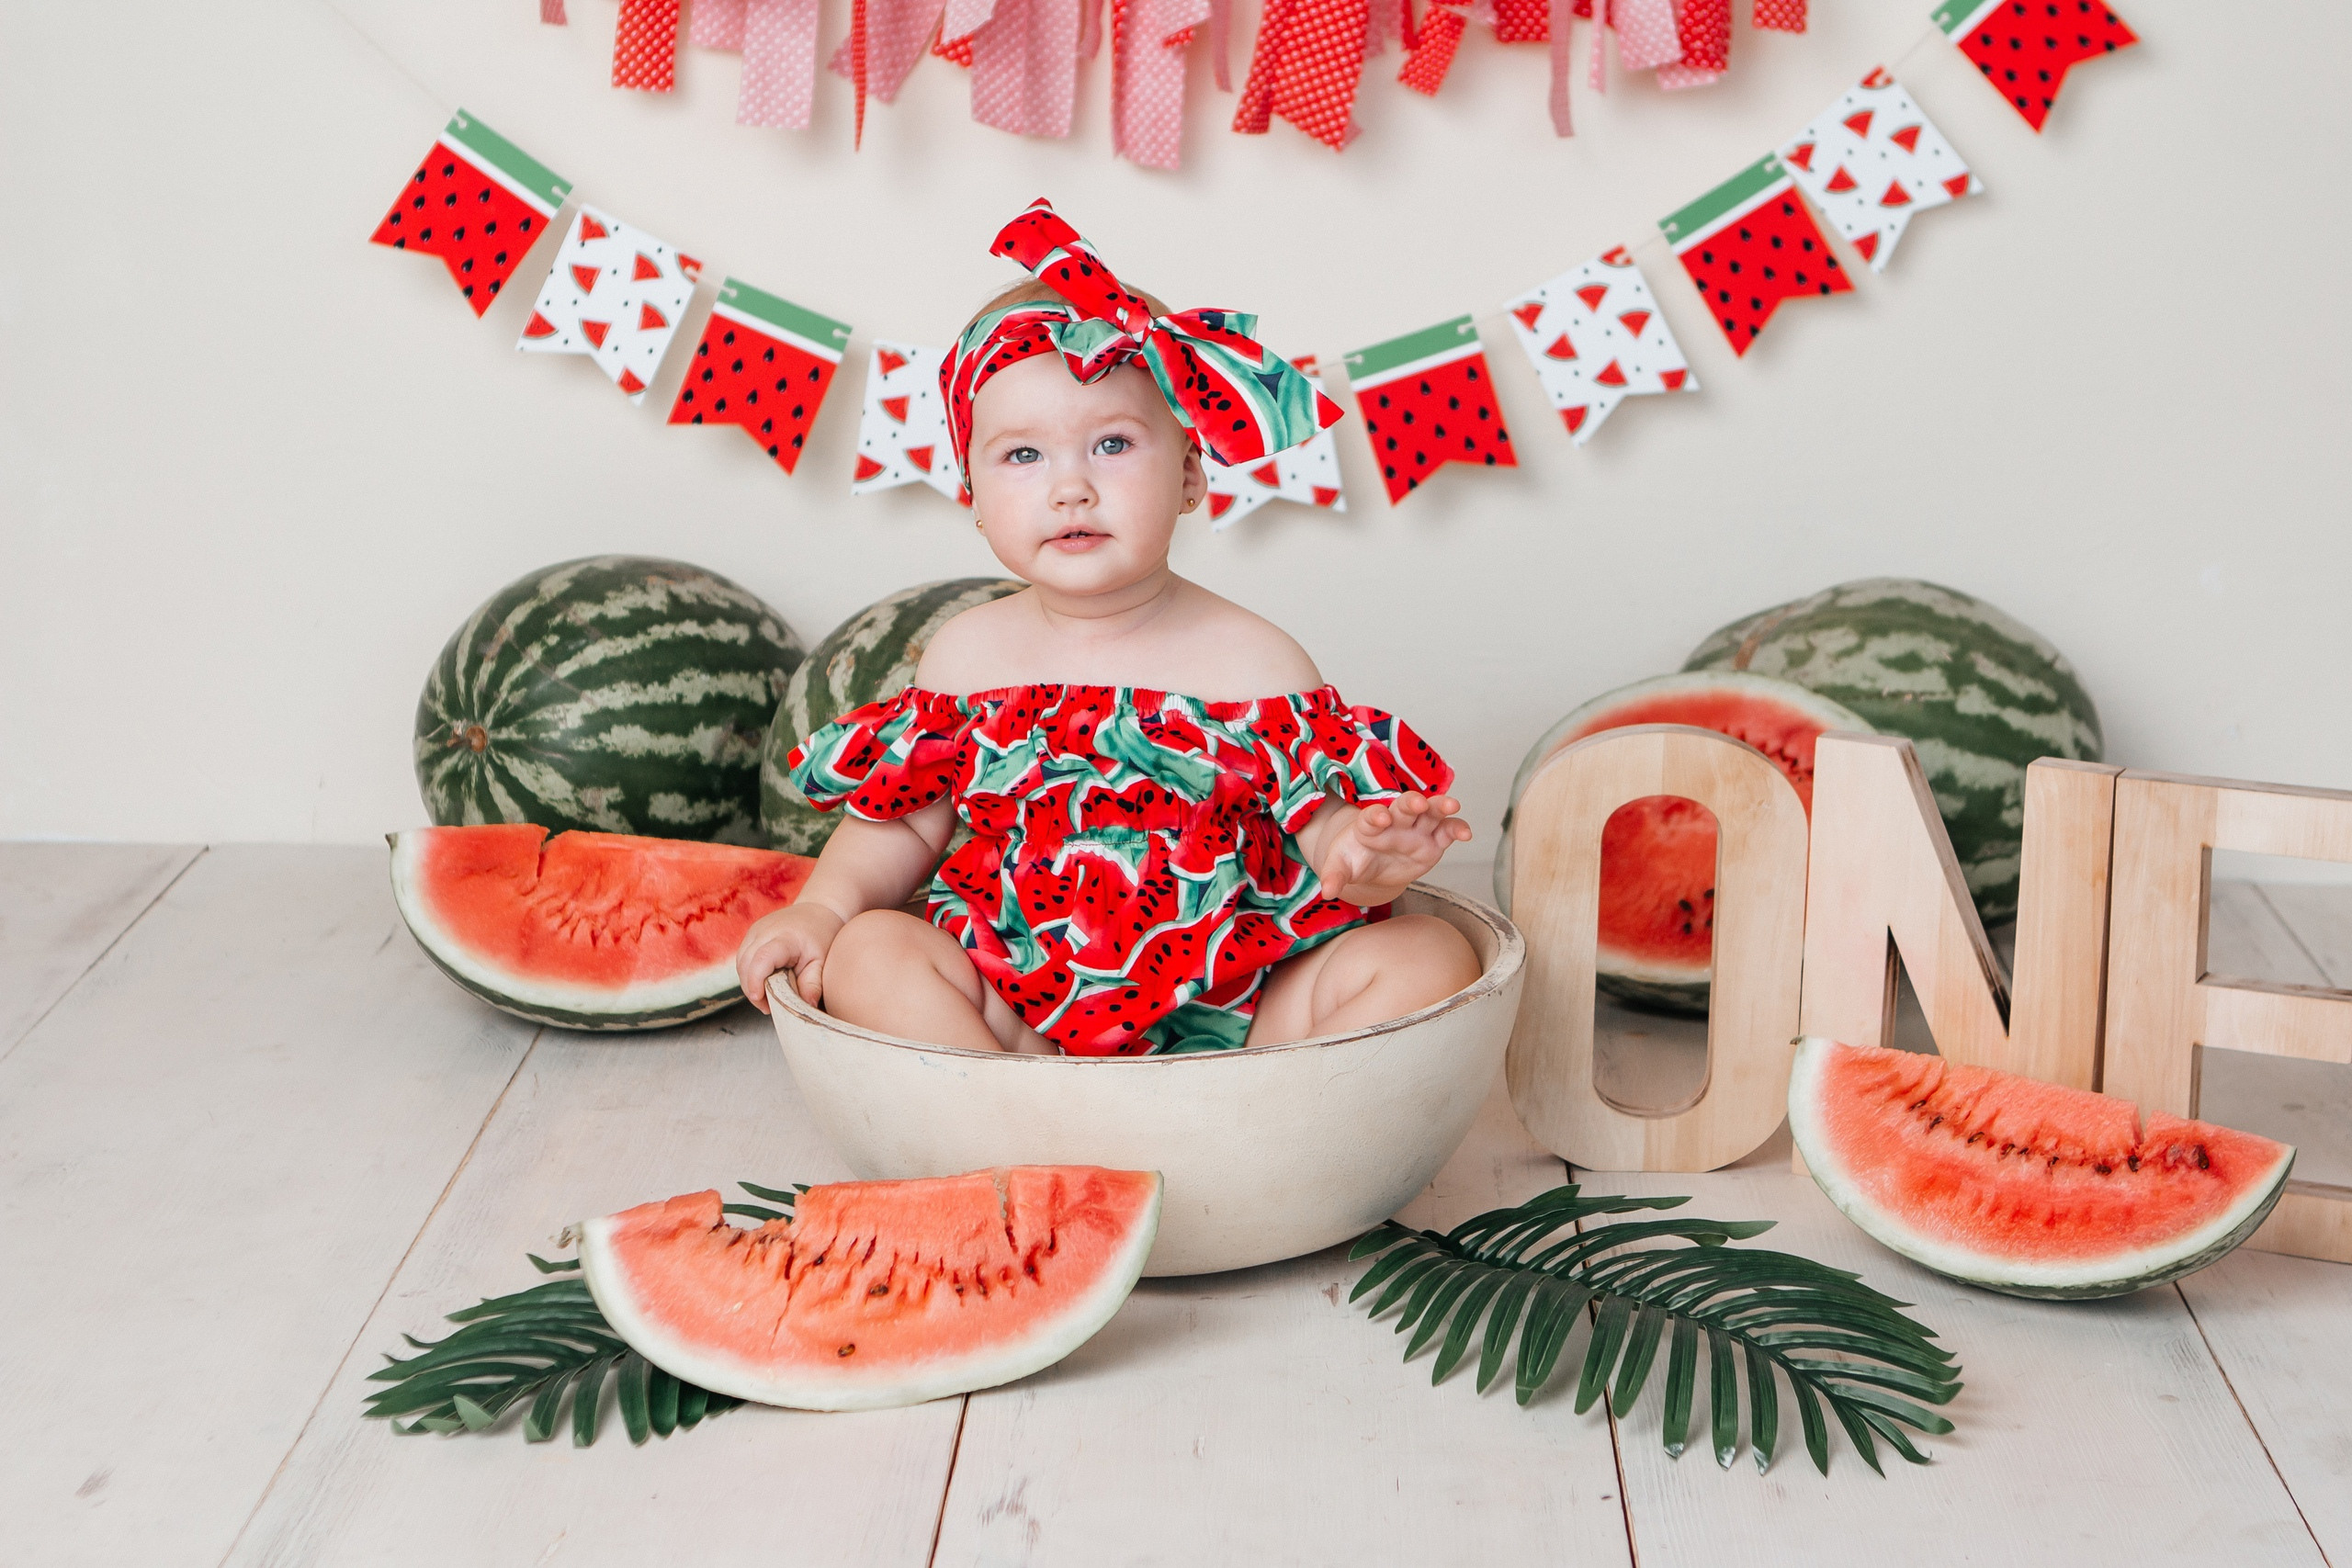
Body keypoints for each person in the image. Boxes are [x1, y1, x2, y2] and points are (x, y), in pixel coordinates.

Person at [735, 199, 1479, 1055]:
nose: (1070, 488)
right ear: (973, 498)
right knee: (871, 951)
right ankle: (1021, 1115)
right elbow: (902, 825)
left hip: (1242, 1024)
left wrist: (1362, 854)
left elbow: (1319, 827)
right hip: (1016, 1014)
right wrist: (821, 911)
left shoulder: (1254, 660)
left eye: (1114, 445)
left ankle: (1242, 1123)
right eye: (1023, 456)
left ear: (1193, 473)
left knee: (1430, 956)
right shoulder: (967, 657)